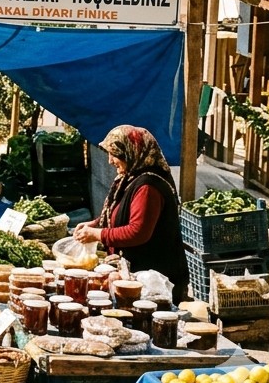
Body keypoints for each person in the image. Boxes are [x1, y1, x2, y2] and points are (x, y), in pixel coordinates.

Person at [73, 125, 189, 301]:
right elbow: (120, 211)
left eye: (115, 154)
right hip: (139, 277)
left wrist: (97, 234)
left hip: (157, 284)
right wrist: (95, 223)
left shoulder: (148, 186)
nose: (110, 161)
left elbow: (138, 232)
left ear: (133, 151)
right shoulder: (131, 177)